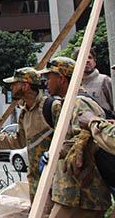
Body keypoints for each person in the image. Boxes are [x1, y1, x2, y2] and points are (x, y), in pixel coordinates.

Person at [38, 56, 110, 217]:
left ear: (61, 79)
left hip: (82, 195)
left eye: (49, 77)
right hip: (72, 194)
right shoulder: (67, 103)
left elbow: (87, 140)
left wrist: (57, 152)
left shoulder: (80, 103)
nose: (46, 82)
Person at [0, 67, 61, 202]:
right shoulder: (24, 113)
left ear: (26, 86)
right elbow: (19, 141)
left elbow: (68, 139)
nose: (11, 88)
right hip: (36, 180)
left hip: (56, 179)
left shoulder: (51, 107)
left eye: (14, 84)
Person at [75, 47, 113, 112]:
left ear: (94, 61)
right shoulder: (73, 85)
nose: (87, 60)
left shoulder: (105, 80)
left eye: (90, 57)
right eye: (83, 57)